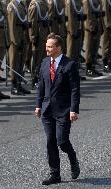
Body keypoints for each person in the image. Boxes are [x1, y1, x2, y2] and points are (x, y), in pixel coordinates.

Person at [35, 33, 80, 185]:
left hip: (63, 110)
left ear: (58, 48)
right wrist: (38, 105)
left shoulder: (69, 65)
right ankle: (55, 174)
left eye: (49, 46)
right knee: (50, 141)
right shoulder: (45, 63)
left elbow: (75, 89)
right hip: (47, 110)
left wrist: (74, 109)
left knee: (62, 141)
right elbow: (41, 85)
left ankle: (73, 158)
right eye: (46, 46)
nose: (46, 49)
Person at [7, 0, 31, 95]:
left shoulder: (22, 4)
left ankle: (19, 84)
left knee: (21, 61)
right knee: (14, 61)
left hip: (23, 35)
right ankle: (14, 86)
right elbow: (11, 26)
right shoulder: (12, 6)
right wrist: (16, 41)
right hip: (16, 38)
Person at [28, 0, 50, 89]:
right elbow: (32, 22)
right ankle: (35, 79)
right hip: (38, 35)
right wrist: (33, 37)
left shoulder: (44, 3)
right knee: (36, 58)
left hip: (44, 35)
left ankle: (42, 79)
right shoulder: (35, 5)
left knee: (44, 58)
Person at [83, 0, 104, 77]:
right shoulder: (87, 1)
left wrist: (101, 26)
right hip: (90, 29)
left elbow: (100, 14)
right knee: (89, 49)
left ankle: (93, 67)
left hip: (97, 26)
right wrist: (91, 27)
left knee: (95, 48)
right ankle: (88, 69)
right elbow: (87, 15)